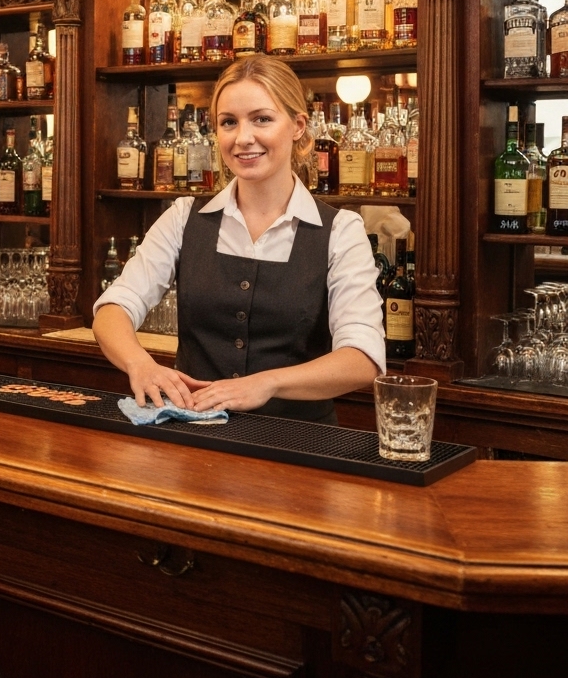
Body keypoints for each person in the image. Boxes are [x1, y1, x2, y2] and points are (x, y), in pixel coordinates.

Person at [92, 55, 385, 424]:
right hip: (196, 440)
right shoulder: (185, 217)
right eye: (228, 122)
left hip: (301, 449)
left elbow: (362, 358)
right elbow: (113, 309)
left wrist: (268, 383)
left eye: (262, 119)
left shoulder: (341, 230)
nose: (243, 138)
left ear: (297, 126)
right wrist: (141, 365)